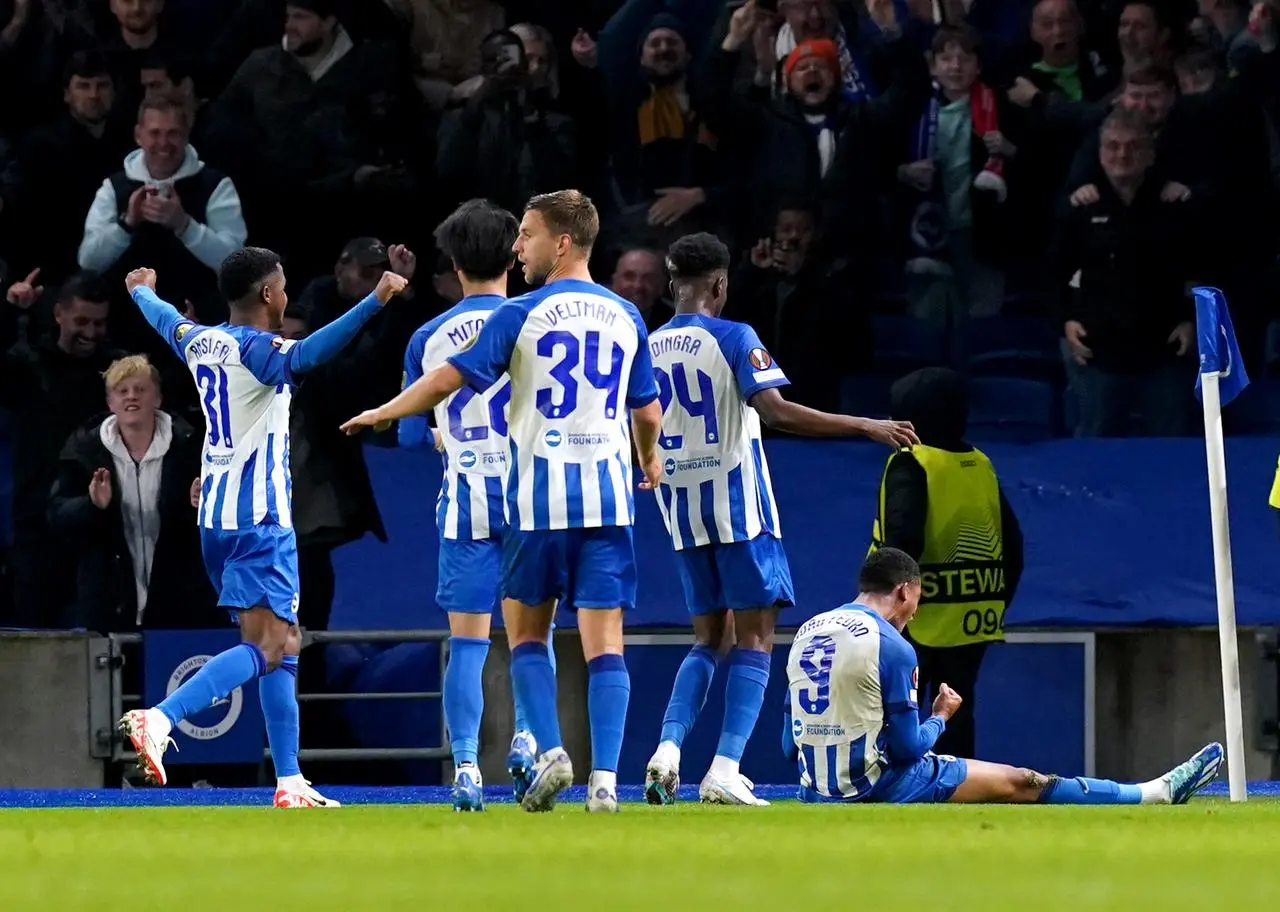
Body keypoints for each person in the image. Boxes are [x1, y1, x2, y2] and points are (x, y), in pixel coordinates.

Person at [342, 189, 665, 813]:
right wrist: (644, 455)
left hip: (529, 504)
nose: (521, 246)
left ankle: (529, 754)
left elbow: (446, 382)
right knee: (605, 646)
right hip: (606, 503)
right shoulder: (626, 316)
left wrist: (384, 411)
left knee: (518, 639)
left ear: (561, 242)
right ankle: (604, 782)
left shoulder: (516, 318)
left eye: (531, 234)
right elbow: (648, 409)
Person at [116, 248, 409, 808]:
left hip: (217, 518)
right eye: (283, 287)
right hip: (260, 518)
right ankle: (159, 718)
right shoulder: (259, 350)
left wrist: (140, 290)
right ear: (269, 295)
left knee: (286, 641)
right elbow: (313, 352)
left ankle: (290, 781)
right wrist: (375, 301)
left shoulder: (200, 339)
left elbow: (163, 319)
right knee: (268, 646)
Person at [643, 233, 919, 807]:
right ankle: (723, 767)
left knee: (705, 640)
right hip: (740, 512)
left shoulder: (646, 345)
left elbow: (634, 422)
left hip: (682, 514)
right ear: (720, 284)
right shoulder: (734, 336)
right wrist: (864, 426)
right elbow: (777, 412)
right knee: (756, 639)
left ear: (673, 285)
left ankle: (668, 750)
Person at [783, 547, 1223, 805]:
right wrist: (941, 715)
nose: (915, 612)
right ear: (904, 590)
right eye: (917, 600)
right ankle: (1154, 793)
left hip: (814, 791)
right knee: (1021, 782)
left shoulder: (808, 631)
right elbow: (907, 750)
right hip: (881, 786)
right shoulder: (893, 647)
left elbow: (790, 746)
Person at [397, 198, 555, 811]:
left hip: (465, 503)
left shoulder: (426, 338)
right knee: (529, 642)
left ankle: (465, 766)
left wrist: (447, 435)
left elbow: (411, 435)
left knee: (466, 644)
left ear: (455, 264)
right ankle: (524, 739)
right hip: (528, 502)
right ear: (513, 255)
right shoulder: (536, 321)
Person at [48, 354, 219, 632]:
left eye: (140, 389)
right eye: (122, 391)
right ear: (110, 402)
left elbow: (220, 523)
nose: (131, 397)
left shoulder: (191, 448)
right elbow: (57, 515)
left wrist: (199, 506)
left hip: (179, 600)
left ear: (158, 398)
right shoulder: (84, 452)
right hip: (109, 602)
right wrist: (92, 506)